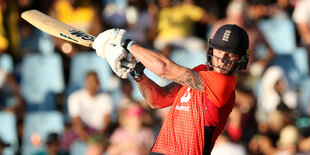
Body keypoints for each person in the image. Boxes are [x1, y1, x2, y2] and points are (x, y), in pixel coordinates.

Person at [92, 24, 250, 154]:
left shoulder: (223, 84)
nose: (222, 59)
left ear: (241, 59)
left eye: (230, 55)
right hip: (160, 150)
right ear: (211, 50)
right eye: (220, 51)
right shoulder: (199, 71)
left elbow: (163, 68)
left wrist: (127, 44)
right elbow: (158, 100)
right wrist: (137, 72)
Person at [61, 71, 113, 152]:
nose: (93, 84)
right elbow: (76, 123)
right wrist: (88, 139)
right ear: (85, 82)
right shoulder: (75, 97)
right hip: (82, 132)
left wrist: (97, 138)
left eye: (95, 81)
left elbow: (106, 122)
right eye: (90, 81)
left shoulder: (105, 97)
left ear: (98, 83)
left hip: (99, 132)